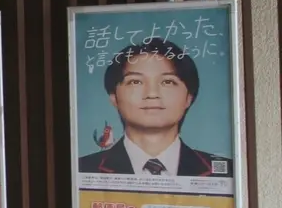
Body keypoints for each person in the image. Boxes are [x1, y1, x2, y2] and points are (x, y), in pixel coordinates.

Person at [78, 38, 232, 178]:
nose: (152, 94)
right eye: (135, 82)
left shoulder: (227, 172)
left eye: (167, 82)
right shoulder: (83, 169)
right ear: (114, 98)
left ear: (188, 98)